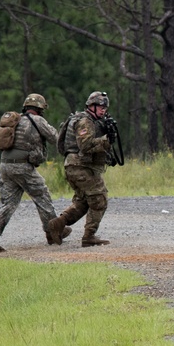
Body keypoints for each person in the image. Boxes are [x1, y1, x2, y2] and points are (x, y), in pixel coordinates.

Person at [0, 93, 70, 252]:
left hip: (5, 166)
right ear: (40, 108)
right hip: (22, 167)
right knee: (42, 195)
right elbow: (55, 138)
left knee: (8, 204)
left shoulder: (16, 121)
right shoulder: (38, 121)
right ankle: (53, 232)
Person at [47, 91, 115, 247]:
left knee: (83, 202)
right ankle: (89, 237)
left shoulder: (89, 120)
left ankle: (58, 224)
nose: (104, 110)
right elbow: (85, 145)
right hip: (80, 167)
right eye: (101, 107)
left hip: (77, 167)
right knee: (99, 199)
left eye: (105, 107)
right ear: (91, 106)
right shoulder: (85, 121)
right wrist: (106, 140)